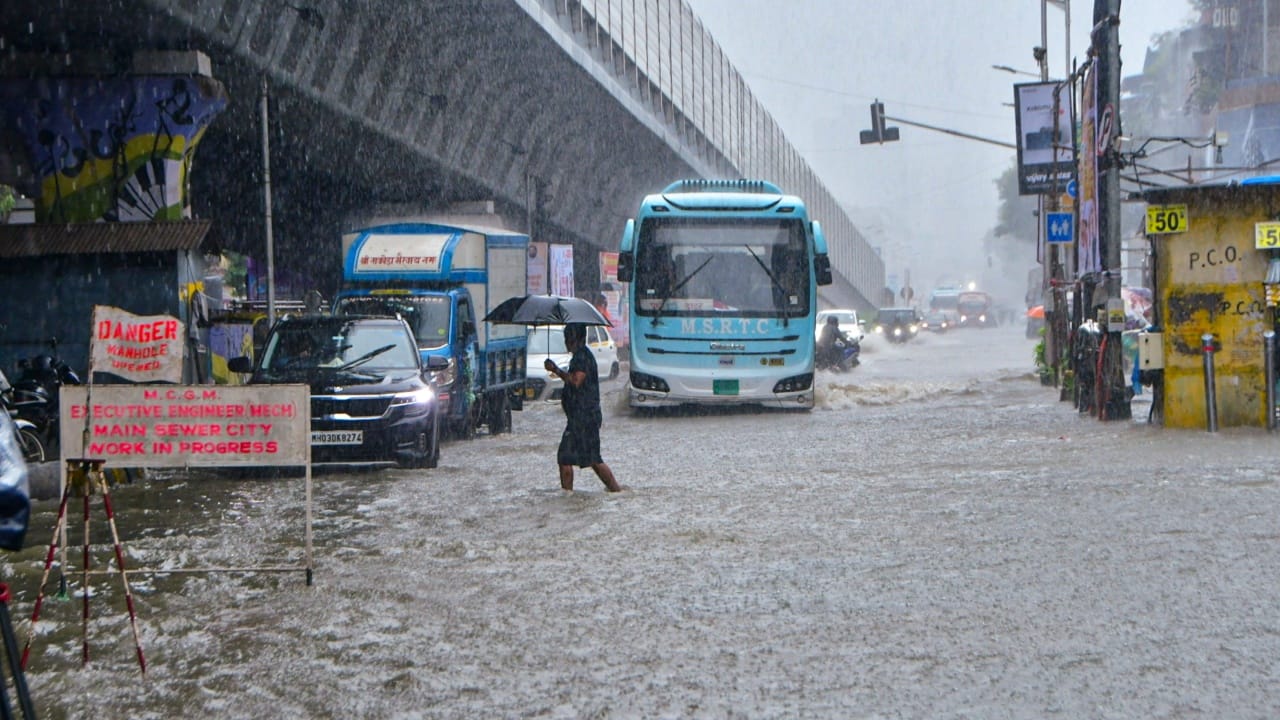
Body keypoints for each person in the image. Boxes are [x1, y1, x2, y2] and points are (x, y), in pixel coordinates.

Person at [544, 323, 621, 492]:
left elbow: (576, 381)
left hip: (584, 418)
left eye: (567, 338)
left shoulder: (582, 358)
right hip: (581, 417)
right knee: (591, 459)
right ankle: (616, 491)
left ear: (574, 339)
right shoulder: (580, 356)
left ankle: (569, 495)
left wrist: (555, 370)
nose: (565, 342)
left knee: (568, 458)